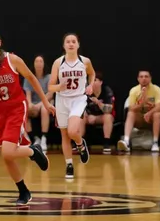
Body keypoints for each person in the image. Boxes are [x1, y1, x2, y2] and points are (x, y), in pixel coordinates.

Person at [0, 29, 54, 205]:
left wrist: (45, 103)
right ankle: (24, 191)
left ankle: (34, 151)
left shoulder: (12, 59)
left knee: (9, 151)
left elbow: (32, 79)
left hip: (16, 107)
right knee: (6, 156)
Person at [49, 33, 95, 179]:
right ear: (64, 46)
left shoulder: (85, 61)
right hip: (62, 100)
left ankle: (81, 145)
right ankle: (69, 164)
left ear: (78, 45)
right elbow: (50, 87)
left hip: (78, 99)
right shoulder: (58, 62)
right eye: (68, 42)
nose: (70, 44)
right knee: (64, 135)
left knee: (72, 131)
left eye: (73, 41)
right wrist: (58, 87)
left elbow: (92, 74)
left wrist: (91, 85)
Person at [117, 70, 160, 153]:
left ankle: (155, 142)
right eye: (141, 77)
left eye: (146, 76)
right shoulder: (134, 90)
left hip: (150, 119)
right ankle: (126, 141)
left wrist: (149, 113)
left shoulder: (156, 89)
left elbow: (159, 107)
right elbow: (131, 108)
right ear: (138, 79)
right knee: (131, 113)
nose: (144, 79)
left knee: (157, 114)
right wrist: (142, 103)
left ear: (150, 78)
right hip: (139, 119)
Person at [23, 55, 53, 152]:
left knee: (44, 109)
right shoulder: (29, 77)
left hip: (46, 102)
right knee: (25, 110)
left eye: (41, 61)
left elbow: (50, 94)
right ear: (34, 64)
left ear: (44, 64)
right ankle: (34, 138)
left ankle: (44, 138)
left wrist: (40, 105)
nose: (39, 64)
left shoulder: (49, 77)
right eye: (37, 61)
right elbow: (28, 95)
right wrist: (30, 105)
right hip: (34, 103)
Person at [82, 71, 115, 154]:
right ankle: (81, 144)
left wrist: (98, 103)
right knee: (80, 116)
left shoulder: (107, 91)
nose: (92, 82)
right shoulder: (85, 91)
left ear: (100, 82)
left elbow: (109, 109)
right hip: (89, 116)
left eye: (95, 80)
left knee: (108, 117)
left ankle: (106, 144)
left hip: (101, 116)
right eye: (90, 80)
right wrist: (87, 115)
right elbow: (80, 107)